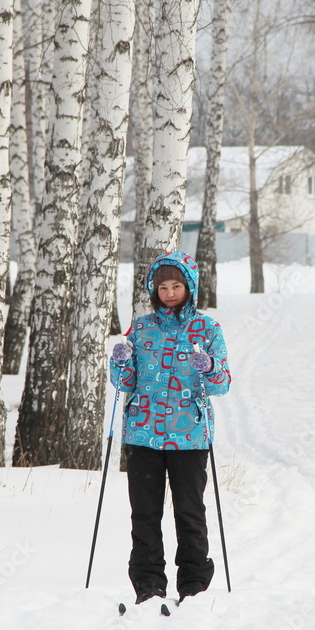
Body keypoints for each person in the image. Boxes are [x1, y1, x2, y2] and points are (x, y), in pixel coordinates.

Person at [109, 252, 231, 604]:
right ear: (154, 289)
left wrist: (208, 365)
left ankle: (193, 586)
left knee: (189, 512)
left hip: (190, 437)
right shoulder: (142, 328)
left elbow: (222, 383)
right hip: (143, 434)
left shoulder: (207, 329)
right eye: (162, 286)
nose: (169, 292)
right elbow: (125, 383)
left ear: (189, 286)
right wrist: (119, 363)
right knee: (144, 513)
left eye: (176, 285)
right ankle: (149, 586)